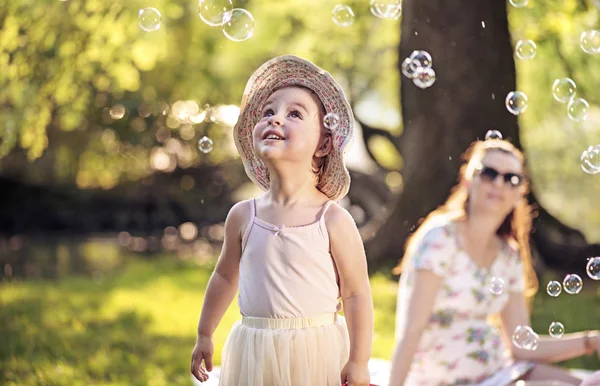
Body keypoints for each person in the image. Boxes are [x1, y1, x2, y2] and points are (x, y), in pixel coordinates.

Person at [190, 55, 374, 386]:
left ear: (323, 144)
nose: (275, 119)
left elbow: (357, 293)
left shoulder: (332, 220)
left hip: (315, 353)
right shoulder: (243, 216)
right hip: (255, 350)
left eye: (294, 114)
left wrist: (358, 361)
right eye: (268, 112)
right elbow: (224, 277)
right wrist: (205, 333)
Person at [388, 136, 600, 386]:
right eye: (489, 173)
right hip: (441, 380)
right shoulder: (440, 239)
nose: (499, 183)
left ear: (520, 192)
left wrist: (591, 342)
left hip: (498, 372)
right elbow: (410, 331)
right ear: (468, 180)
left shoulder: (508, 254)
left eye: (511, 179)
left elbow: (522, 346)